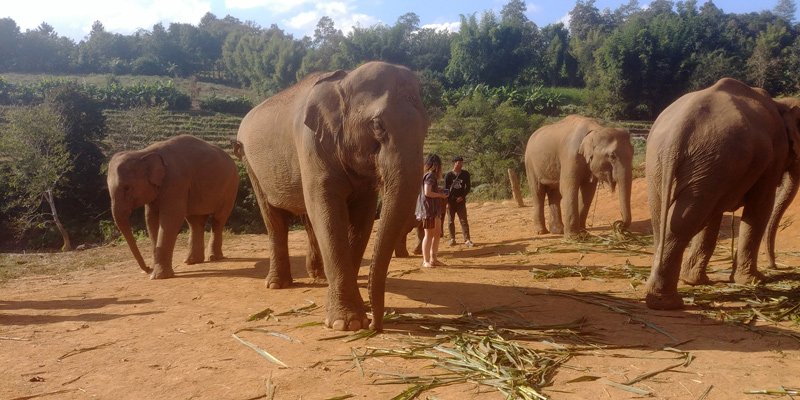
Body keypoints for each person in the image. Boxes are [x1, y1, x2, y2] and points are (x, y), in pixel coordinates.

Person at [418, 154, 448, 268]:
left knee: (436, 234)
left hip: (434, 209)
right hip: (429, 209)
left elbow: (430, 191)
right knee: (429, 234)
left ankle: (433, 259)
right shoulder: (430, 176)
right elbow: (427, 192)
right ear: (435, 165)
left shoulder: (431, 176)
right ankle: (426, 260)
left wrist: (438, 191)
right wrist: (440, 195)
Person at [444, 155, 473, 247]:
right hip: (451, 202)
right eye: (458, 162)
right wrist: (448, 202)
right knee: (450, 221)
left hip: (461, 201)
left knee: (463, 220)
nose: (460, 164)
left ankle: (467, 239)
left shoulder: (465, 174)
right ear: (454, 163)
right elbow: (446, 190)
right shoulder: (448, 175)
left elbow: (468, 187)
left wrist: (462, 196)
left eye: (461, 162)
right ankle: (452, 239)